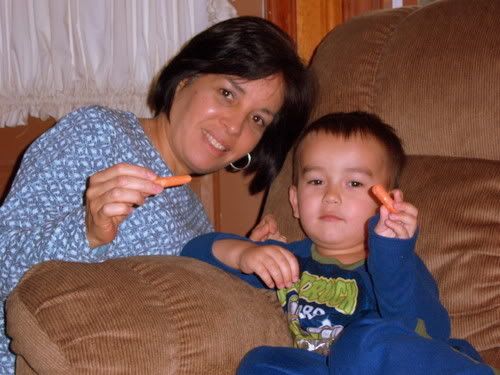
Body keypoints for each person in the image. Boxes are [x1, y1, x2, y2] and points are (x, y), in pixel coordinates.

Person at [0, 16, 315, 373]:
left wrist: (242, 261)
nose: (234, 126)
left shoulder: (196, 217)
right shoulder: (97, 133)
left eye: (258, 119)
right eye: (227, 93)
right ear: (186, 80)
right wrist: (87, 232)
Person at [182, 112, 498, 374]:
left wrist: (392, 252)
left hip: (409, 362)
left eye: (355, 183)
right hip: (326, 367)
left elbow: (428, 330)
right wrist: (245, 253)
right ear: (295, 200)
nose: (331, 196)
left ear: (386, 202)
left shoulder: (394, 261)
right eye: (317, 181)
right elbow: (194, 251)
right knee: (262, 361)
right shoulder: (287, 260)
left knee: (362, 343)